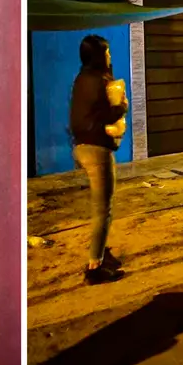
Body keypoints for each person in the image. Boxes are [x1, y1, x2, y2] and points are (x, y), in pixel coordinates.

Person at [67, 35, 127, 285]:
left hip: (81, 148)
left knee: (102, 207)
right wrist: (121, 106)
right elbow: (104, 113)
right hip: (97, 150)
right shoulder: (99, 81)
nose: (110, 56)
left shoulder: (81, 78)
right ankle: (95, 267)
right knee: (104, 209)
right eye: (108, 52)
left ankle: (101, 253)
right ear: (99, 55)